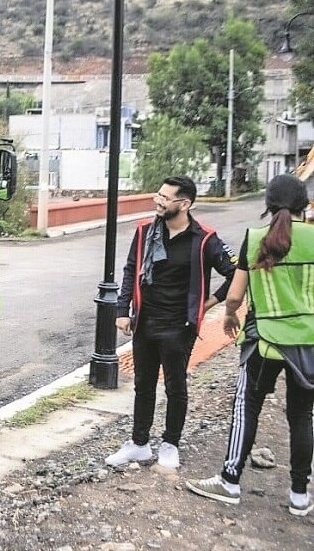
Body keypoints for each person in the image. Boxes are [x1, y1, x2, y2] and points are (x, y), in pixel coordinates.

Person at [186, 174, 314, 516]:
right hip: (308, 342)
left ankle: (229, 481)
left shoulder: (256, 238)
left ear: (268, 205)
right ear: (304, 204)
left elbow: (235, 294)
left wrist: (230, 316)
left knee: (247, 406)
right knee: (302, 414)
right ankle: (300, 495)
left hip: (265, 341)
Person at [106, 175, 236, 469]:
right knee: (143, 384)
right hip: (145, 322)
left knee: (176, 386)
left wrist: (212, 301)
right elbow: (130, 270)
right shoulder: (145, 231)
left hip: (179, 326)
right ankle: (139, 444)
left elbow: (238, 271)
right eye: (159, 195)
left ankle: (170, 443)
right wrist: (122, 311)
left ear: (184, 203)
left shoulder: (204, 239)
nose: (158, 201)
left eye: (165, 198)